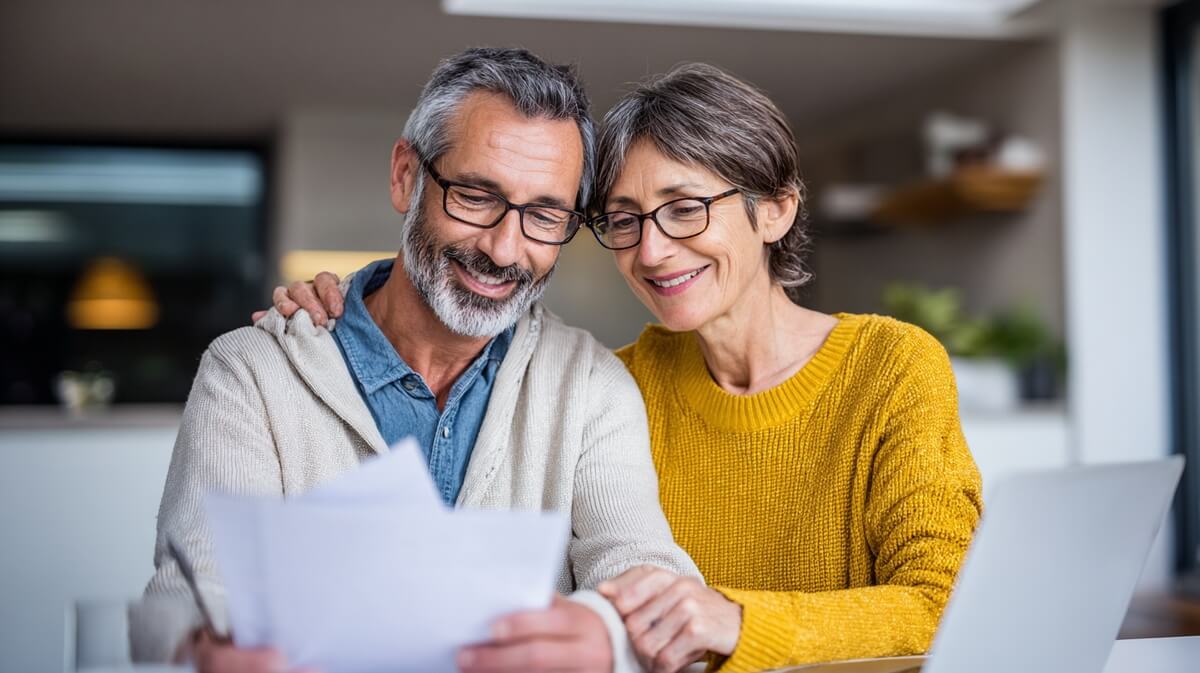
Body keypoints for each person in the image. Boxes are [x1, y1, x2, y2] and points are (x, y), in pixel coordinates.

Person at [282, 63, 983, 673]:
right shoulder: (615, 385)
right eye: (624, 219)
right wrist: (355, 312)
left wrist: (735, 622)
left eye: (683, 209)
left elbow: (948, 604)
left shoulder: (892, 367)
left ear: (775, 209)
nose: (650, 252)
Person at [143, 47, 699, 673]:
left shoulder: (592, 385)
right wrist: (206, 647)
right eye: (475, 195)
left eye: (544, 215)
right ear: (406, 175)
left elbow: (647, 576)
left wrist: (605, 631)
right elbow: (189, 603)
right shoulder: (252, 372)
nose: (504, 247)